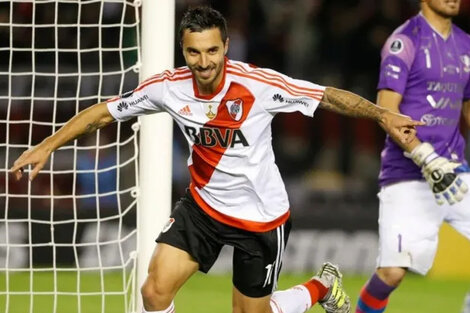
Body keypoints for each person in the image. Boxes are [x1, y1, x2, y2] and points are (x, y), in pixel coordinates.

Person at [11, 6, 422, 313]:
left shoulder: (259, 85)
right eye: (193, 52)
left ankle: (320, 287)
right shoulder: (167, 88)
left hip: (261, 217)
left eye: (211, 50)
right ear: (183, 51)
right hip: (203, 207)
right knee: (153, 293)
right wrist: (49, 145)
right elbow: (103, 111)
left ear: (226, 45)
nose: (203, 62)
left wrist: (383, 114)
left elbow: (328, 95)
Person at [355, 1, 470, 312]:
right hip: (408, 174)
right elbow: (386, 111)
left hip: (456, 174)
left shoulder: (466, 44)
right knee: (392, 272)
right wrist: (424, 156)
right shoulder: (404, 40)